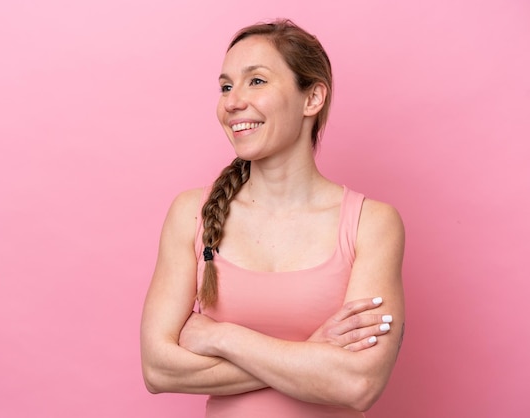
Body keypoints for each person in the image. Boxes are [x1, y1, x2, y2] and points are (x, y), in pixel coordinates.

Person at [140, 18, 405, 417]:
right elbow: (158, 369)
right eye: (226, 86)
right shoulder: (190, 215)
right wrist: (313, 355)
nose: (232, 101)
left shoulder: (372, 223)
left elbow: (358, 383)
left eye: (257, 81)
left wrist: (219, 336)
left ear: (312, 98)